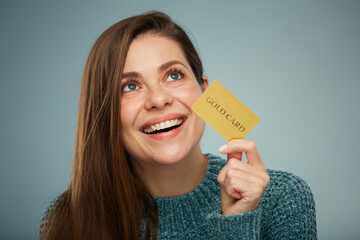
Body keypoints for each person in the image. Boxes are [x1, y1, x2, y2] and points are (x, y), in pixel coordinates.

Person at [39, 11, 317, 239]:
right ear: (105, 112)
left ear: (204, 91)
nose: (158, 99)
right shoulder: (67, 218)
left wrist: (237, 223)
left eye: (173, 75)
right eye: (130, 86)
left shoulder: (282, 197)